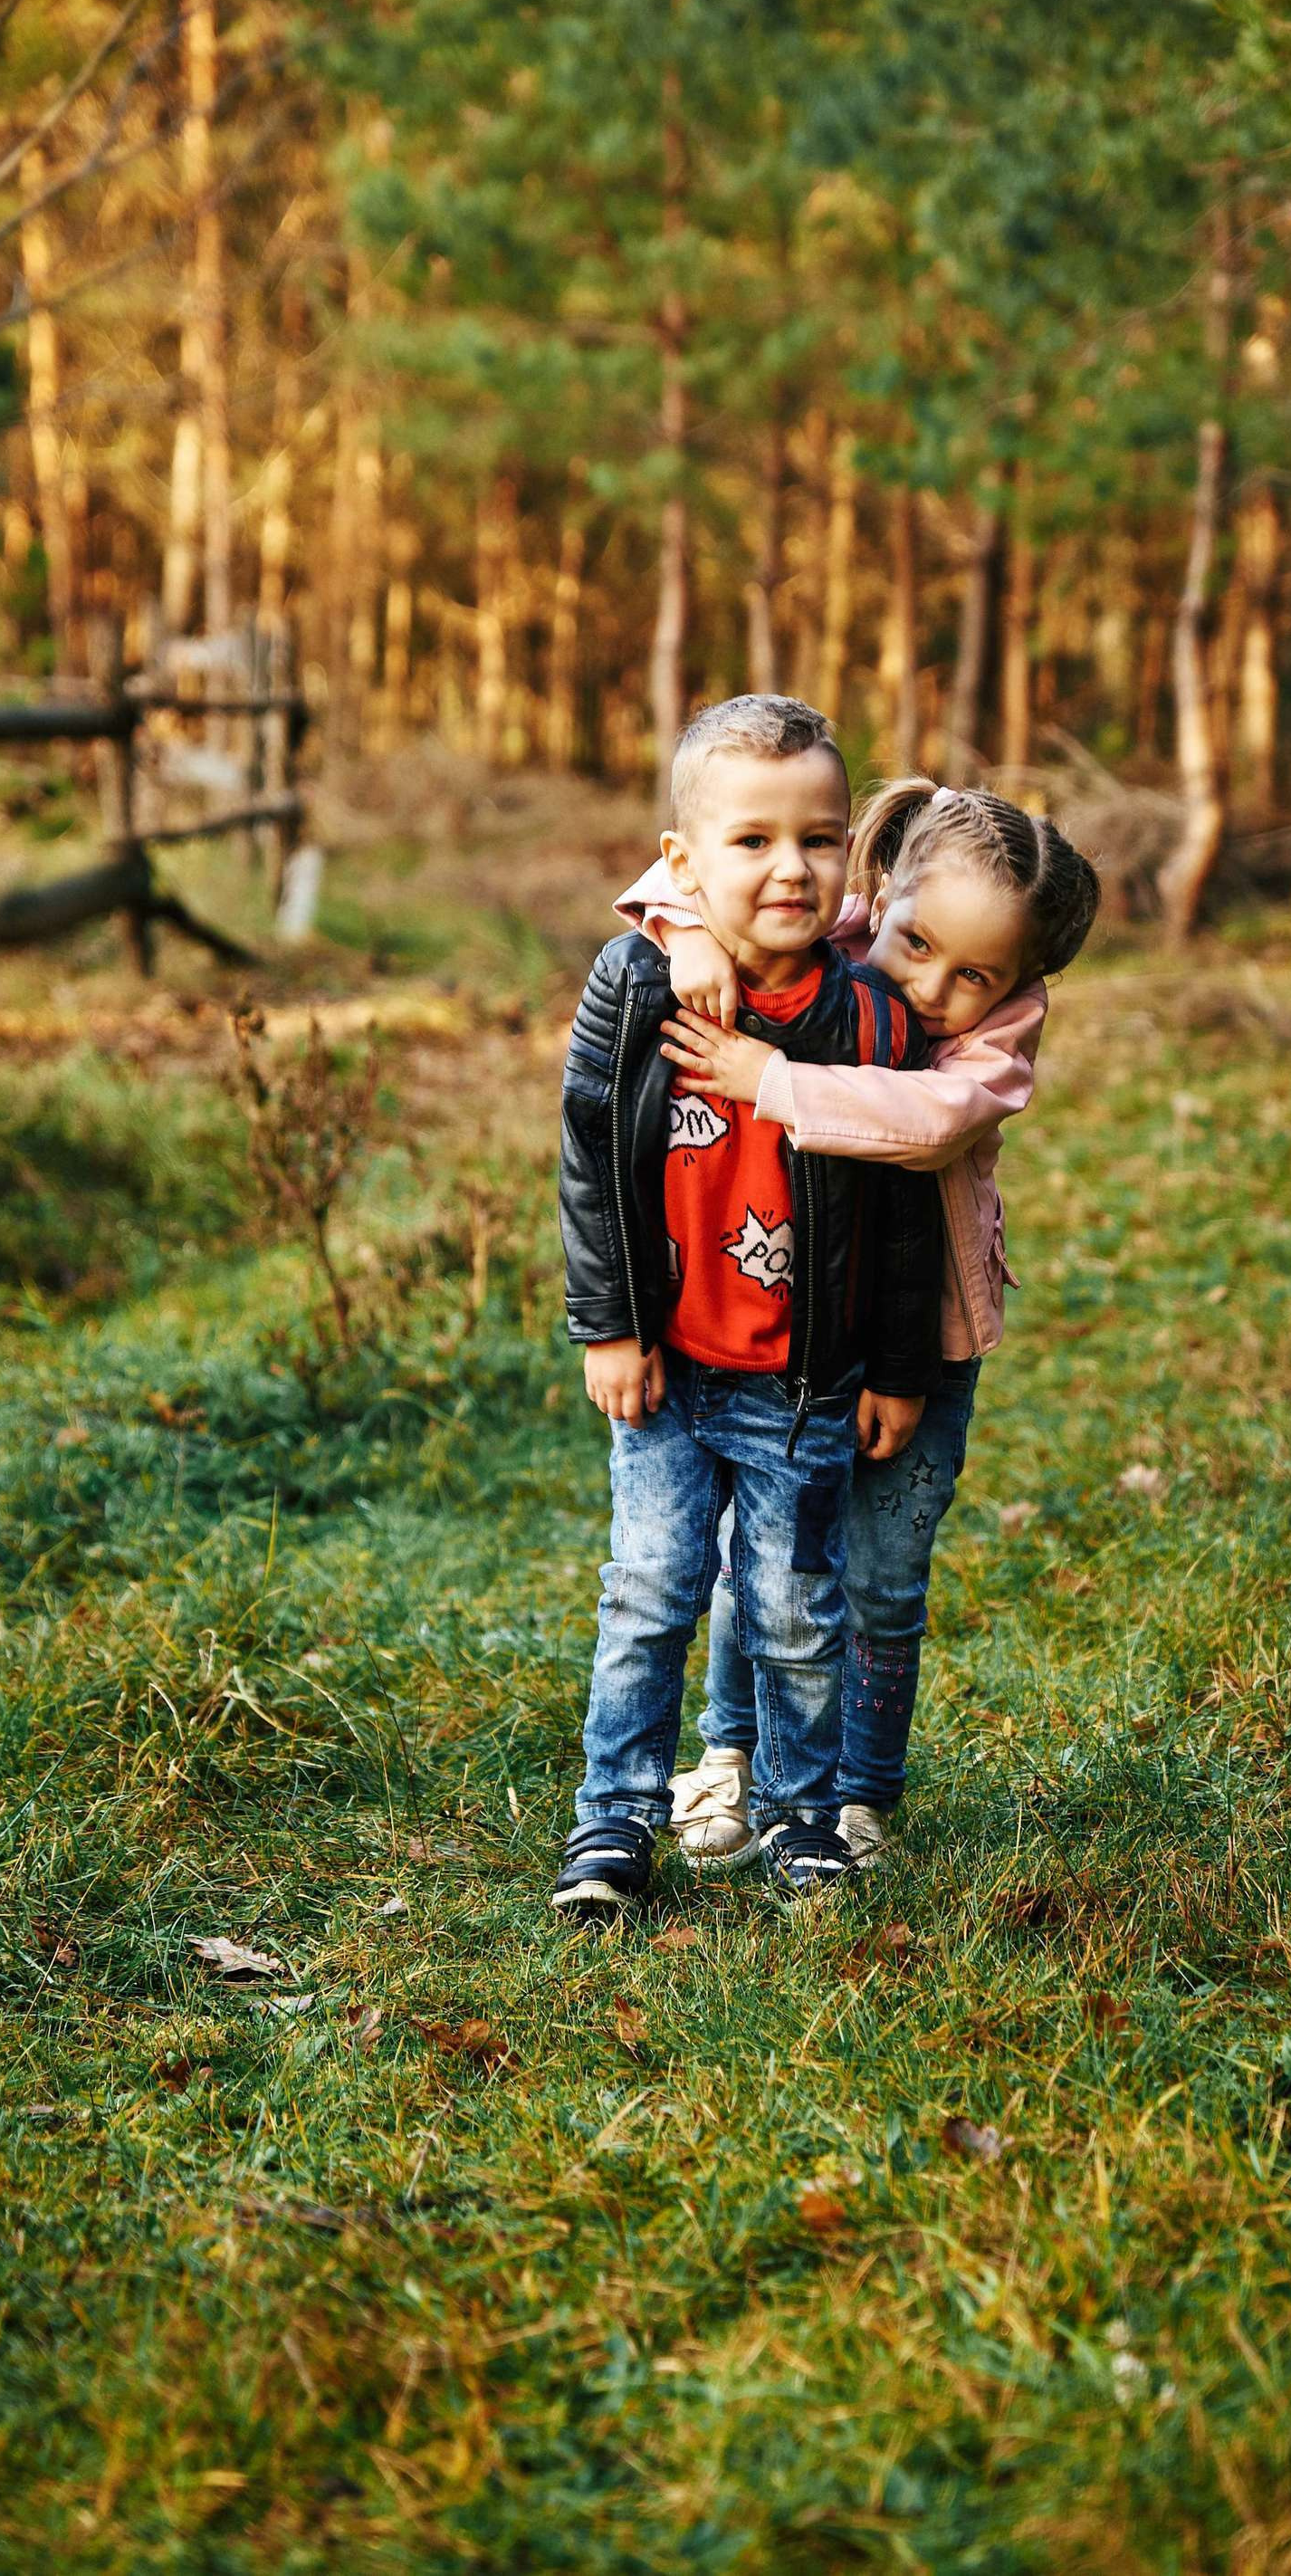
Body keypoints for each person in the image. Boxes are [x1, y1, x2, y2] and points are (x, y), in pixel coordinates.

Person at [618, 777, 1099, 1866]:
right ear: (880, 895)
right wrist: (686, 925)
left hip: (920, 1345)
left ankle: (855, 1794)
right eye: (916, 940)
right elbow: (702, 859)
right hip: (798, 1321)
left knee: (878, 1574)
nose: (929, 986)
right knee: (764, 1558)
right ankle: (731, 1760)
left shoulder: (996, 1038)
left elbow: (930, 1120)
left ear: (1020, 982)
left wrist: (771, 1078)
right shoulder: (835, 931)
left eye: (971, 973)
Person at [554, 698, 944, 1915]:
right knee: (652, 1593)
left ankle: (799, 1812)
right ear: (680, 864)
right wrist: (607, 1324)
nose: (792, 867)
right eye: (752, 840)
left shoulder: (874, 1017)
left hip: (804, 1383)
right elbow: (591, 1158)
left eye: (820, 839)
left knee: (792, 1607)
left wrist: (894, 1364)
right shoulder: (637, 985)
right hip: (668, 1375)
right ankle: (615, 1819)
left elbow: (900, 1209)